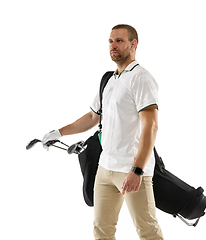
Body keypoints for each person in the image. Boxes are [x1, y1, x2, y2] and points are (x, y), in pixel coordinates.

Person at [42, 24, 164, 240]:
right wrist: (58, 132)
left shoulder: (141, 79)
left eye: (119, 41)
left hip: (132, 169)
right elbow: (92, 117)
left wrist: (137, 170)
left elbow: (151, 126)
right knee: (102, 230)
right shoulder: (109, 79)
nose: (113, 46)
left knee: (148, 232)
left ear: (133, 44)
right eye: (110, 41)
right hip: (105, 168)